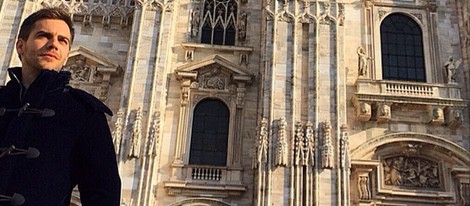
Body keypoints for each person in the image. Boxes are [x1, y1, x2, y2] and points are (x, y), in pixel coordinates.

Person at [0, 7, 121, 205]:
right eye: (43, 36)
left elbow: (103, 194)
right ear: (20, 46)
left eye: (62, 40)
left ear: (66, 56)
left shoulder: (85, 112)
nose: (53, 45)